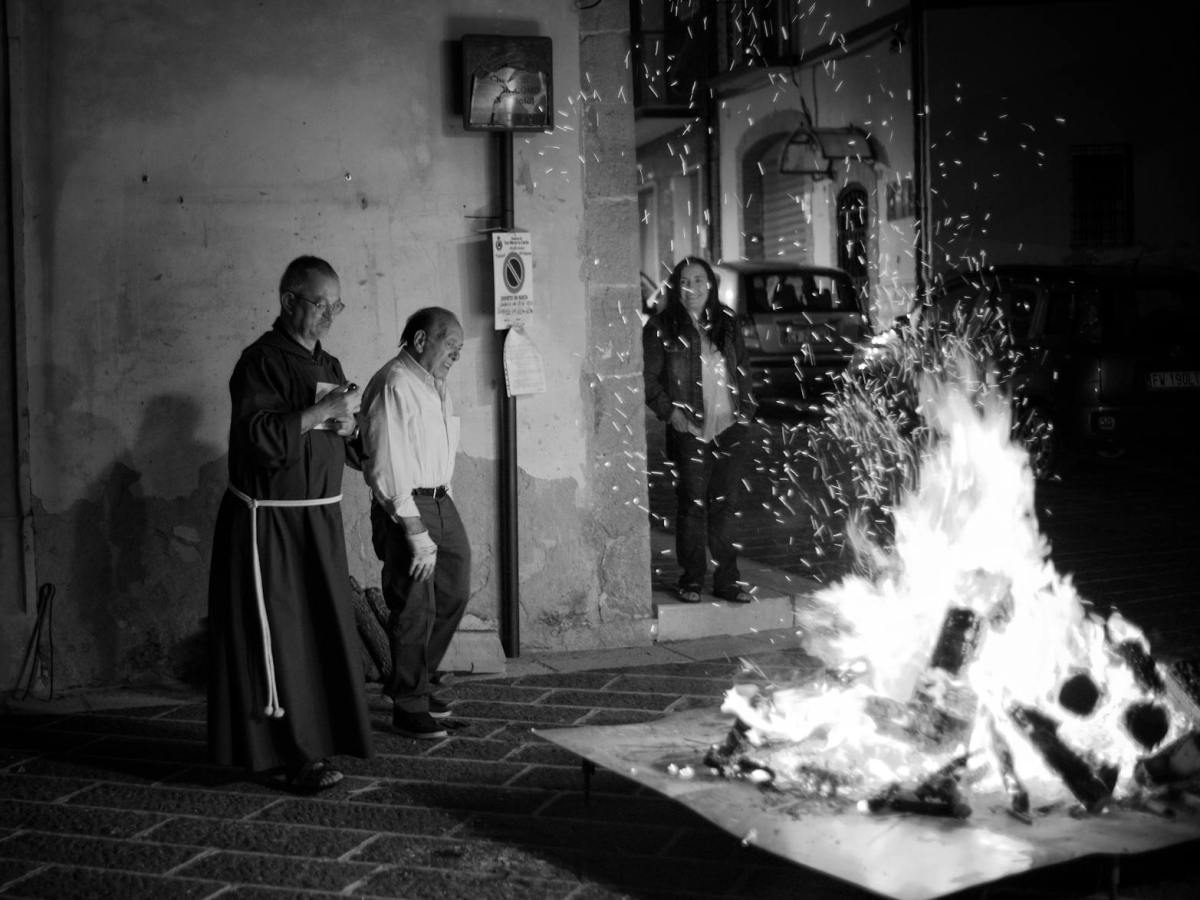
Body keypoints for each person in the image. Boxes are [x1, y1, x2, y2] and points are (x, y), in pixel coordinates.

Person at [207, 255, 373, 792]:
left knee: (320, 635)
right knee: (281, 639)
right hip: (268, 529)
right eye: (321, 304)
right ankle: (293, 753)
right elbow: (258, 438)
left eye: (336, 305)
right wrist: (320, 414)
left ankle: (321, 742)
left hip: (316, 524)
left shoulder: (330, 365)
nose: (330, 315)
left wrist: (350, 428)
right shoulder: (257, 363)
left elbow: (349, 448)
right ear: (289, 302)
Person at [360, 307, 470, 740]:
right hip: (407, 504)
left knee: (454, 590)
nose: (456, 356)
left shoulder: (437, 386)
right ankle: (409, 706)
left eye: (460, 350)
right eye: (451, 346)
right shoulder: (394, 383)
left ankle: (415, 684)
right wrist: (411, 525)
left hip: (441, 499)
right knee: (413, 607)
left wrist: (446, 502)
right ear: (421, 340)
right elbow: (384, 463)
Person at [643, 256, 757, 604]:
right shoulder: (662, 326)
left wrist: (747, 410)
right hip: (689, 428)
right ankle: (692, 579)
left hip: (729, 426)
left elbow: (743, 369)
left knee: (724, 505)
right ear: (676, 287)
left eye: (699, 280)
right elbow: (648, 379)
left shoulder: (727, 323)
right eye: (685, 280)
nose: (691, 287)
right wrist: (671, 413)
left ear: (710, 285)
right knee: (692, 506)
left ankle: (726, 580)